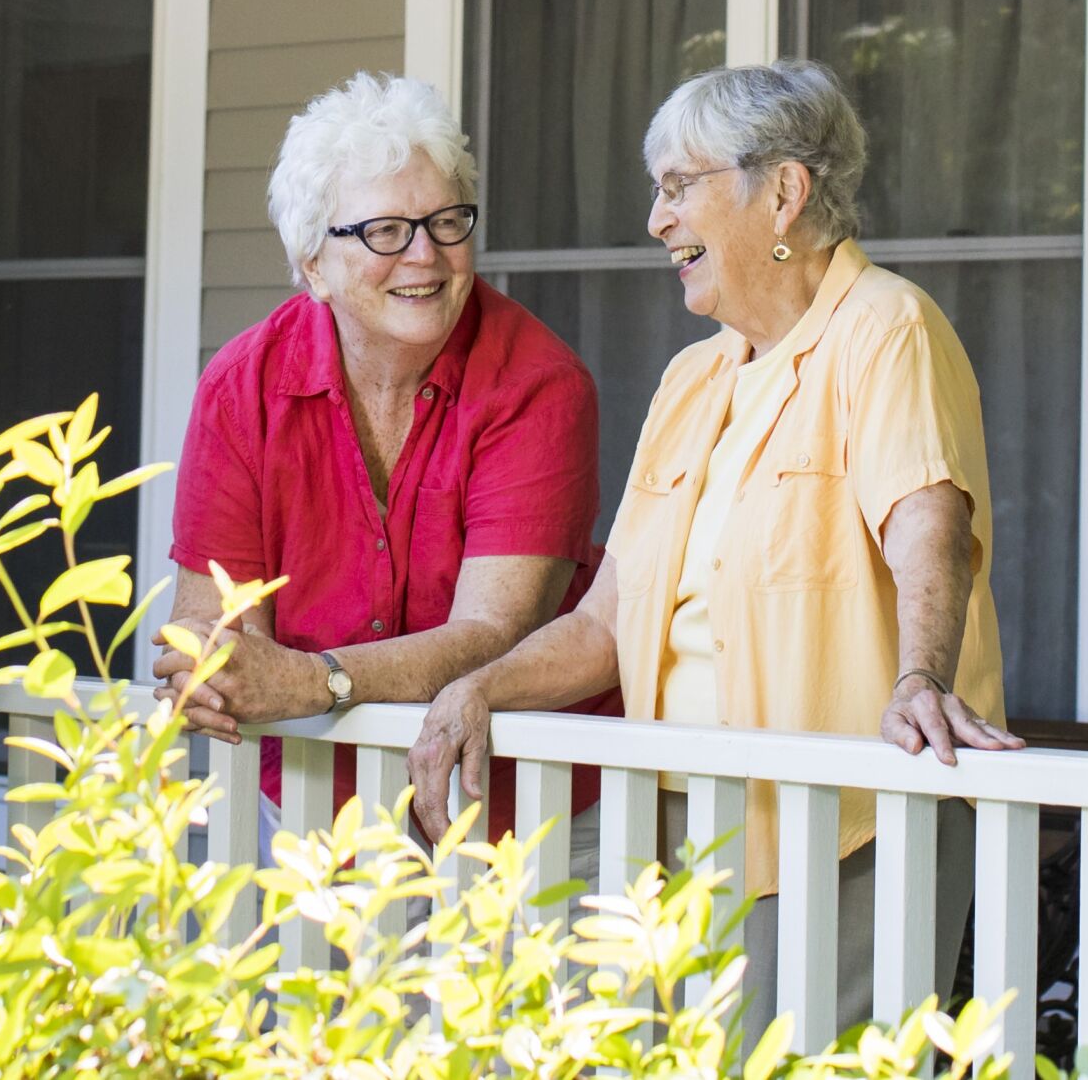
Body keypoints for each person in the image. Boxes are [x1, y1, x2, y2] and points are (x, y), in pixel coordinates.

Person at [407, 59, 1023, 1045]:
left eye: (678, 185)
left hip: (848, 829)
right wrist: (480, 686)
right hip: (689, 829)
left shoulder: (885, 330)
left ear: (783, 191)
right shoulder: (694, 380)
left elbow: (928, 523)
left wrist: (920, 676)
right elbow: (606, 622)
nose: (656, 220)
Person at [156, 71, 619, 855]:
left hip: (518, 806)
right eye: (384, 231)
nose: (425, 255)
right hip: (313, 801)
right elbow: (218, 629)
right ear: (312, 264)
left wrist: (311, 681)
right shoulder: (242, 389)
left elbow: (491, 631)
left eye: (446, 221)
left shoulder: (538, 381)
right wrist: (214, 668)